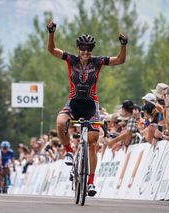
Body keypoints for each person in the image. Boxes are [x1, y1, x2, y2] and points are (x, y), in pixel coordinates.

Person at [47, 20, 127, 196]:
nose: (85, 52)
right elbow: (52, 50)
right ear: (78, 49)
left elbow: (120, 60)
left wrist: (123, 44)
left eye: (89, 49)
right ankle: (69, 152)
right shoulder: (71, 59)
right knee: (60, 122)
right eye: (83, 49)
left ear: (92, 50)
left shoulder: (98, 62)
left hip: (91, 105)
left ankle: (90, 182)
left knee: (92, 142)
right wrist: (51, 33)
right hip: (74, 102)